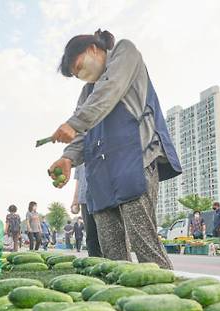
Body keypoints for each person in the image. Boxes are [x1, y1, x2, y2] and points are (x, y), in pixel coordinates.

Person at [48, 30, 181, 268]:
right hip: (101, 173)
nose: (81, 76)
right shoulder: (87, 91)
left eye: (79, 67)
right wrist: (67, 158)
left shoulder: (125, 52)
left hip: (135, 161)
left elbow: (110, 89)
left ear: (92, 49)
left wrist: (74, 123)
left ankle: (170, 296)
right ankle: (121, 299)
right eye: (76, 75)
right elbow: (82, 132)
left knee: (143, 242)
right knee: (111, 251)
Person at [71, 164, 103, 257]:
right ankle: (95, 264)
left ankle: (114, 264)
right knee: (91, 235)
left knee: (107, 234)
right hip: (85, 199)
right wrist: (75, 200)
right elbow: (78, 179)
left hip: (103, 197)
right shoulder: (79, 156)